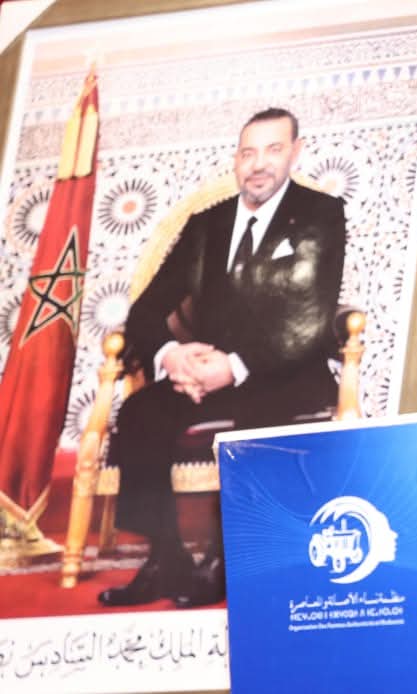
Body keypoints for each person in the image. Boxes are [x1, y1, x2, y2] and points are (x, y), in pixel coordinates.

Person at [98, 107, 346, 609]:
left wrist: (232, 367)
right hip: (204, 373)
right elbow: (145, 310)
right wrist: (173, 356)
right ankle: (165, 559)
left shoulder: (320, 214)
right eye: (248, 152)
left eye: (273, 150)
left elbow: (309, 316)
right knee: (141, 412)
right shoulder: (205, 226)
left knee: (258, 416)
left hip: (286, 372)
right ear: (236, 160)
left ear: (295, 153)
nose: (259, 164)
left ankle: (225, 559)